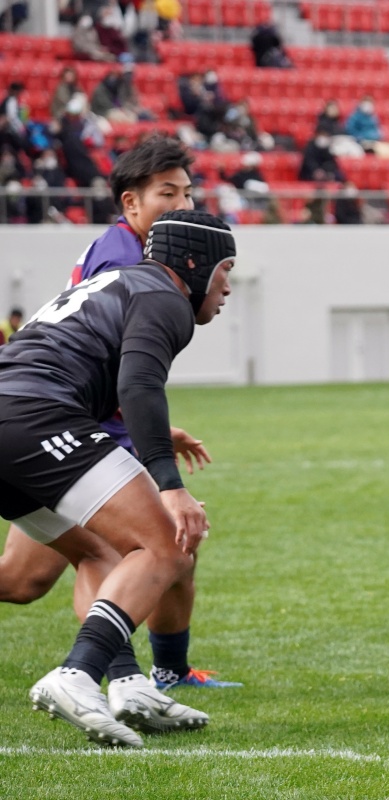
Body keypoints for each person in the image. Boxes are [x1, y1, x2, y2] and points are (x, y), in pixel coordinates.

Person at [1, 134, 242, 691]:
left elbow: (102, 358)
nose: (182, 204)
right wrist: (156, 462)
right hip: (55, 422)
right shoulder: (137, 264)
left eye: (187, 193)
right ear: (131, 203)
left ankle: (146, 677)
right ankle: (120, 679)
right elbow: (125, 370)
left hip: (58, 414)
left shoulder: (132, 253)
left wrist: (144, 426)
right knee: (155, 545)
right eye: (167, 193)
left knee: (33, 577)